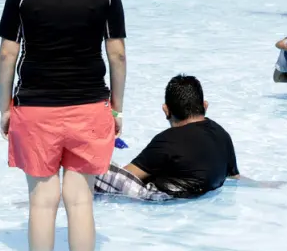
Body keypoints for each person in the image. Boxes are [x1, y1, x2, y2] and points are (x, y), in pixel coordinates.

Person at [0, 0, 126, 251]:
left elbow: (8, 54)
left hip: (35, 109)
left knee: (42, 198)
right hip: (89, 107)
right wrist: (116, 108)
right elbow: (116, 54)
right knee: (80, 196)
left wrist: (5, 108)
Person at [93, 75, 242, 200]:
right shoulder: (223, 135)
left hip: (162, 199)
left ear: (166, 110)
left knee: (91, 170)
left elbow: (125, 177)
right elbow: (234, 178)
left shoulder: (168, 140)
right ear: (205, 106)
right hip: (199, 195)